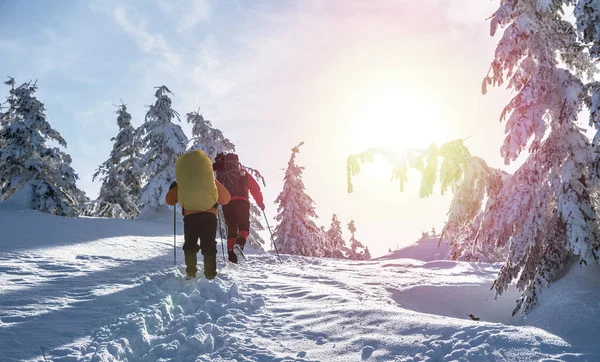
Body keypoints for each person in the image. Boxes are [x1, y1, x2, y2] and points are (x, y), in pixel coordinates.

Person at [166, 150, 231, 279]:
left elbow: (169, 201)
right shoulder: (210, 181)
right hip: (209, 216)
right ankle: (210, 274)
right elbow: (226, 198)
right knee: (209, 245)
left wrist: (173, 188)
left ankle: (191, 272)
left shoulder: (184, 183)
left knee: (190, 244)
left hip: (190, 217)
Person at [213, 152, 265, 263]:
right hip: (242, 202)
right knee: (244, 227)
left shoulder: (221, 175)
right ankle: (239, 245)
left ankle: (232, 257)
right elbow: (255, 188)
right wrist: (261, 204)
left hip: (227, 203)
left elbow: (215, 190)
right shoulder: (243, 173)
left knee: (231, 229)